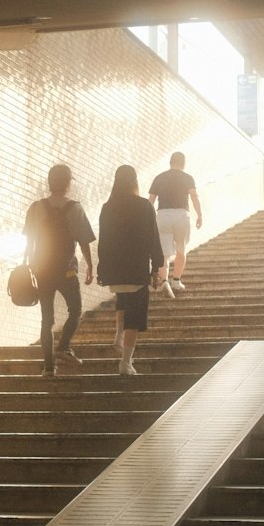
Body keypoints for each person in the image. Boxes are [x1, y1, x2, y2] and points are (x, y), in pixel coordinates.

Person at [23, 164, 95, 378]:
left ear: (49, 182)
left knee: (47, 319)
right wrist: (90, 266)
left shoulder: (36, 207)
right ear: (67, 183)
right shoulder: (75, 208)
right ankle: (63, 347)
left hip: (42, 269)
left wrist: (27, 262)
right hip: (66, 270)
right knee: (76, 310)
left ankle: (48, 368)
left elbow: (29, 240)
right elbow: (84, 241)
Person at [96, 165, 165, 376]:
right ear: (134, 182)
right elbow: (153, 238)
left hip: (115, 271)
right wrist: (156, 267)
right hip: (136, 270)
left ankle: (117, 336)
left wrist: (102, 269)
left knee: (122, 299)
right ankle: (126, 363)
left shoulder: (107, 207)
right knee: (135, 315)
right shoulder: (144, 206)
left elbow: (103, 241)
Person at [147, 151, 202, 295]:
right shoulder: (187, 178)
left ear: (170, 162)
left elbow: (151, 200)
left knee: (163, 253)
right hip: (181, 215)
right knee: (181, 249)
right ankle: (176, 280)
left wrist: (147, 218)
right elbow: (194, 196)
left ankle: (164, 280)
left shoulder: (159, 177)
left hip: (163, 215)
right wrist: (199, 215)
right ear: (183, 163)